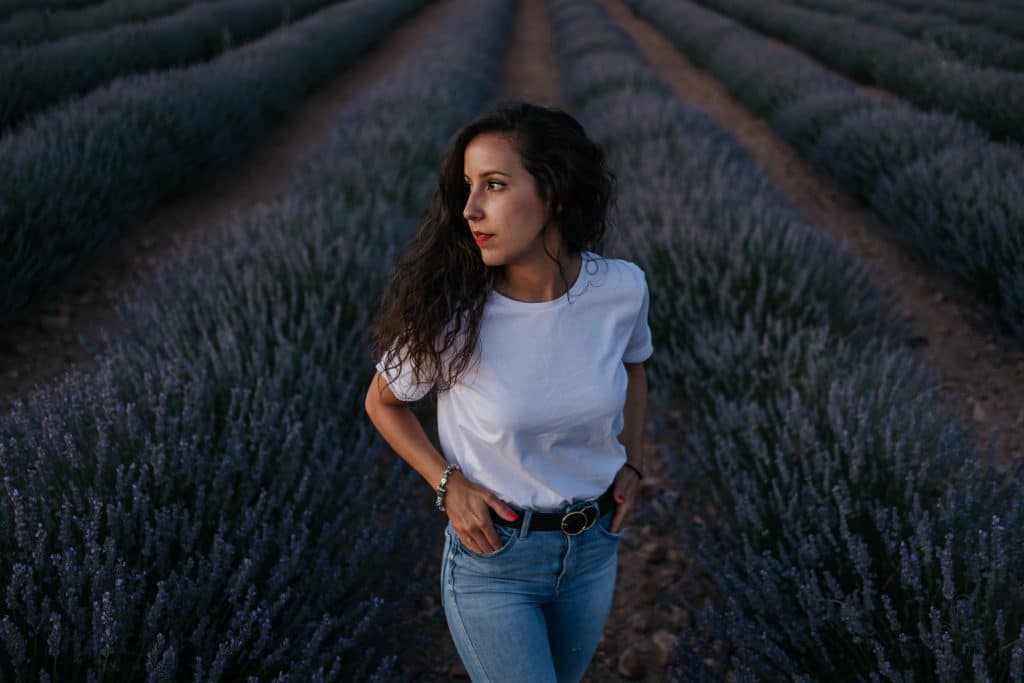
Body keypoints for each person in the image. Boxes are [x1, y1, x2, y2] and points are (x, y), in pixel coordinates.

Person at [363, 100, 653, 683]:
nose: (470, 209)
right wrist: (447, 483)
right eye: (467, 187)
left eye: (494, 185)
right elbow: (382, 402)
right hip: (495, 560)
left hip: (593, 549)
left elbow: (635, 367)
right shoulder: (454, 314)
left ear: (556, 195)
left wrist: (633, 463)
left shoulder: (621, 289)